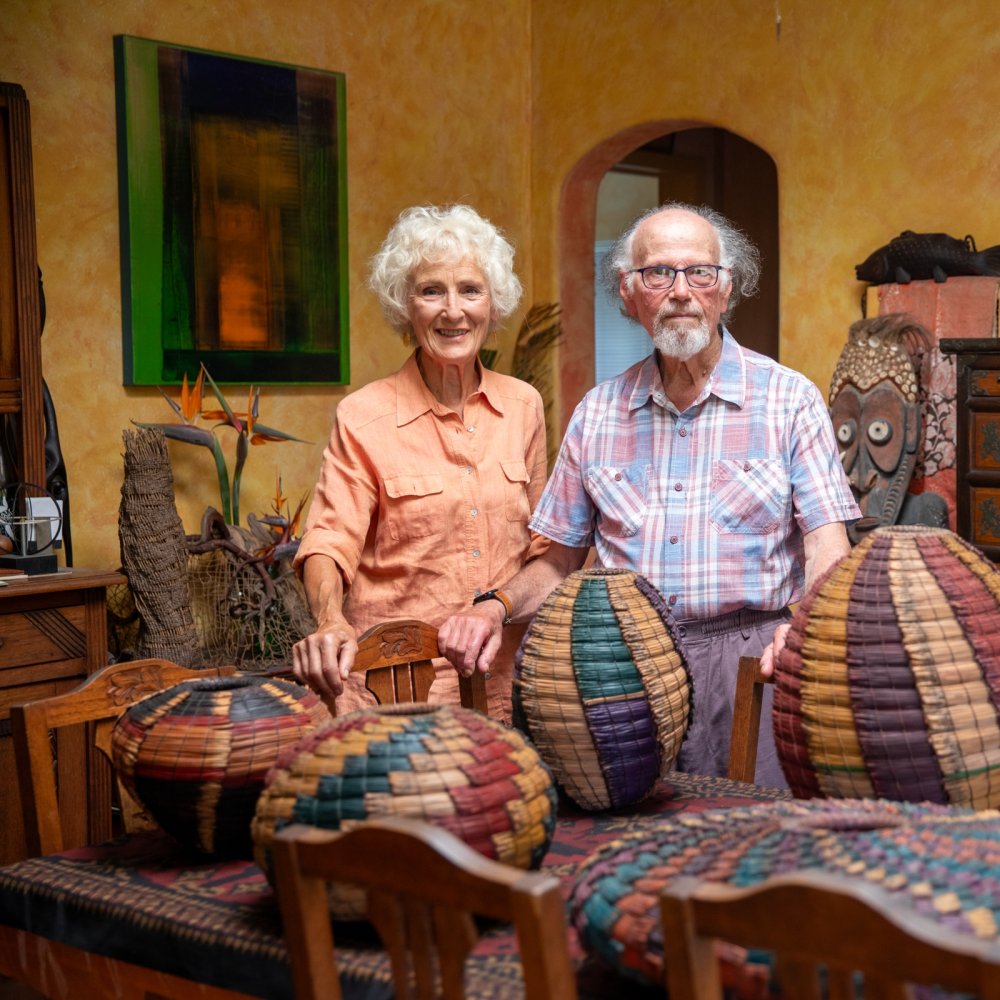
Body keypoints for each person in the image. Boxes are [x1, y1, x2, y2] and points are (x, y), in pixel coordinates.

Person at [438, 202, 861, 786]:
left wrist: (807, 627)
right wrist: (495, 606)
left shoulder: (789, 400)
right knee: (632, 847)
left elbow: (826, 543)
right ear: (630, 292)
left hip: (755, 665)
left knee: (757, 844)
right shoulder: (598, 413)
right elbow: (559, 561)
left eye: (700, 273)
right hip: (626, 669)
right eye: (659, 273)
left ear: (726, 288)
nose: (681, 291)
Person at [290, 204, 548, 722]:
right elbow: (328, 541)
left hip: (507, 686)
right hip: (397, 694)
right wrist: (328, 618)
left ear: (492, 304)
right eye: (432, 291)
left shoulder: (524, 406)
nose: (453, 311)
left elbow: (548, 549)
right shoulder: (363, 416)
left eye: (470, 290)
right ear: (405, 306)